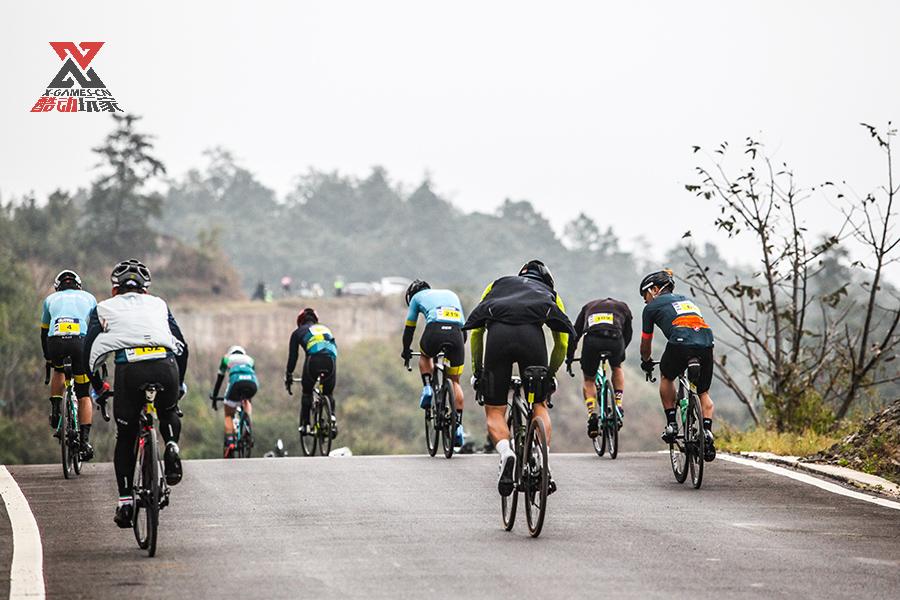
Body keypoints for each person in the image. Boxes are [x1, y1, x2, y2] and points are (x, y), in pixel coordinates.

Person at [83, 259, 189, 528]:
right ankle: (172, 444)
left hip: (130, 370)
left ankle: (125, 503)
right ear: (146, 290)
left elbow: (88, 352)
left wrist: (98, 387)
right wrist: (179, 384)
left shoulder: (103, 307)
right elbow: (183, 346)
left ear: (114, 289)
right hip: (166, 365)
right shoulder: (159, 304)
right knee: (168, 410)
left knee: (126, 435)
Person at [464, 260, 574, 497]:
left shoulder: (497, 285)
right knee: (539, 404)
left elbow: (476, 332)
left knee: (495, 411)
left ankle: (506, 453)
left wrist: (478, 370)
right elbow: (562, 343)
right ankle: (542, 460)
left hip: (498, 339)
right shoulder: (550, 294)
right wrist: (550, 374)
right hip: (532, 341)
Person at [638, 269, 716, 462]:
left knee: (666, 376)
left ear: (654, 289)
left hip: (680, 342)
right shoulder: (688, 301)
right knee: (703, 392)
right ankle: (707, 432)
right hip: (707, 342)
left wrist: (646, 361)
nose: (645, 300)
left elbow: (646, 342)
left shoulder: (651, 308)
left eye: (645, 295)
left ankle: (672, 423)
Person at [401, 280, 467, 446]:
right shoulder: (451, 294)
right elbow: (464, 329)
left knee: (425, 356)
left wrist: (406, 350)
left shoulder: (416, 298)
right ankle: (458, 426)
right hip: (457, 334)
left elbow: (409, 328)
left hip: (434, 331)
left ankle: (427, 388)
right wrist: (455, 349)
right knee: (455, 381)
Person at [40, 270, 98, 460]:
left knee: (58, 371)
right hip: (80, 342)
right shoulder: (89, 298)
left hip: (55, 341)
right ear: (78, 286)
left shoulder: (50, 299)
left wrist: (48, 358)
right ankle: (84, 442)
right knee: (83, 394)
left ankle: (56, 411)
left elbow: (44, 332)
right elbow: (95, 330)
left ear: (58, 287)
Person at [566, 297, 633, 438]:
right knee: (617, 367)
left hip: (593, 341)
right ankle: (618, 405)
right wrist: (620, 352)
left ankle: (592, 413)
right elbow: (628, 333)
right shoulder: (622, 307)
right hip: (615, 339)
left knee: (589, 379)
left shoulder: (588, 306)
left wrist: (570, 357)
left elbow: (575, 334)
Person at [284, 308, 338, 436]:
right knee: (328, 393)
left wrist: (289, 374)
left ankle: (306, 425)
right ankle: (332, 419)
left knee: (307, 392)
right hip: (330, 361)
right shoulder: (325, 329)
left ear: (300, 321)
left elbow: (293, 357)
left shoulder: (298, 332)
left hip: (314, 360)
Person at [210, 345, 258, 458]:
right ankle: (247, 422)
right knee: (246, 401)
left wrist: (215, 398)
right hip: (252, 384)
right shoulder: (250, 360)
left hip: (236, 383)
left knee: (228, 414)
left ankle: (230, 441)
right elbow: (251, 375)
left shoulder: (226, 359)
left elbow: (219, 380)